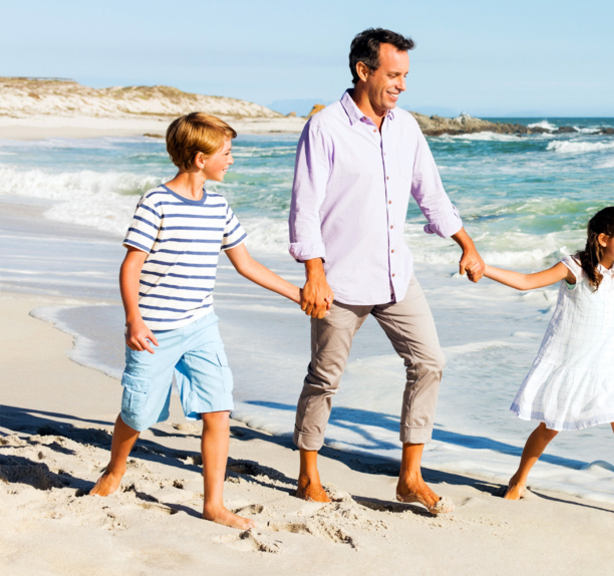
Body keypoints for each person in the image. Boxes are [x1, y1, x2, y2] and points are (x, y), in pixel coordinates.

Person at [287, 28, 485, 513]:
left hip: (398, 277)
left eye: (405, 76)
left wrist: (466, 243)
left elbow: (430, 193)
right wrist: (313, 272)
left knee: (429, 362)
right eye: (393, 75)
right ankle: (307, 472)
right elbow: (305, 207)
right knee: (325, 377)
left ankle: (409, 476)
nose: (401, 85)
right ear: (363, 70)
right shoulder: (326, 127)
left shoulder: (406, 127)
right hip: (340, 280)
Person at [90, 113, 303, 530]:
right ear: (199, 157)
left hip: (201, 326)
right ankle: (115, 470)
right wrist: (134, 320)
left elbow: (246, 263)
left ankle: (214, 504)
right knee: (137, 412)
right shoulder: (157, 202)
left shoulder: (219, 207)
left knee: (217, 408)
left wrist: (296, 294)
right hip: (154, 329)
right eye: (226, 153)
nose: (232, 160)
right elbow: (131, 266)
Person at [482, 207, 614, 519]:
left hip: (605, 367)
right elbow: (525, 281)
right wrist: (484, 268)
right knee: (550, 427)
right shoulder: (573, 267)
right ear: (603, 239)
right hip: (571, 364)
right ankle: (518, 481)